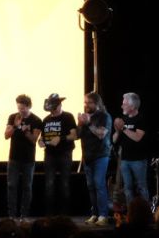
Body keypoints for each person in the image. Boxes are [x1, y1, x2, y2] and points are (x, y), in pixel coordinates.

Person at [6, 94, 43, 220]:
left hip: (28, 159)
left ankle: (24, 215)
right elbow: (6, 135)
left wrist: (25, 131)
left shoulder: (36, 120)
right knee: (12, 186)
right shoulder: (13, 117)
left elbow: (34, 140)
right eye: (18, 108)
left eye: (22, 108)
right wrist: (16, 126)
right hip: (14, 158)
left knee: (27, 187)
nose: (20, 111)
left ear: (28, 106)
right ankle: (12, 215)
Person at [40, 94, 78, 216]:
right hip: (49, 154)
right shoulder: (46, 120)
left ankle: (64, 215)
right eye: (51, 108)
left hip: (65, 154)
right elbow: (43, 137)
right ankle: (49, 215)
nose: (53, 111)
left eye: (54, 108)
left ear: (60, 105)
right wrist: (40, 141)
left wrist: (60, 139)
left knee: (64, 183)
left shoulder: (68, 117)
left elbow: (74, 135)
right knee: (49, 184)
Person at [78, 92, 113, 226]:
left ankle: (103, 215)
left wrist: (88, 123)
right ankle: (95, 214)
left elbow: (101, 134)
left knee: (99, 184)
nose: (86, 105)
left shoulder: (104, 116)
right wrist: (80, 124)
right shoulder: (85, 117)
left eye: (89, 102)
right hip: (87, 156)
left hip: (101, 155)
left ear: (97, 103)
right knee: (91, 186)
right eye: (85, 102)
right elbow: (78, 135)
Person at [114, 92, 150, 204]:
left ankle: (145, 213)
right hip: (125, 159)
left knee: (141, 187)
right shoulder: (124, 119)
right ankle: (131, 213)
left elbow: (137, 137)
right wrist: (117, 130)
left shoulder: (141, 119)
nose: (122, 106)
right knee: (127, 188)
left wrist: (123, 128)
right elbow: (114, 140)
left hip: (138, 160)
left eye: (124, 104)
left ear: (132, 106)